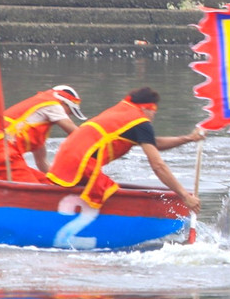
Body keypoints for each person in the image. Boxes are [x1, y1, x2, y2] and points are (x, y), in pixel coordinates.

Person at [47, 86, 203, 212]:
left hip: (64, 156)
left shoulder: (122, 110)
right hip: (81, 164)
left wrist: (188, 138)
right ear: (149, 109)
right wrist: (184, 196)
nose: (152, 119)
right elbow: (158, 166)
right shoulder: (140, 122)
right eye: (153, 114)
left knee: (104, 187)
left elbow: (154, 143)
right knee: (106, 191)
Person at [0, 85, 85, 183]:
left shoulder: (37, 124)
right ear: (64, 103)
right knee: (37, 192)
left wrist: (59, 183)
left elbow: (42, 163)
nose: (68, 116)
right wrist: (94, 143)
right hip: (1, 153)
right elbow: (75, 132)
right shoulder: (52, 104)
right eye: (69, 112)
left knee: (44, 181)